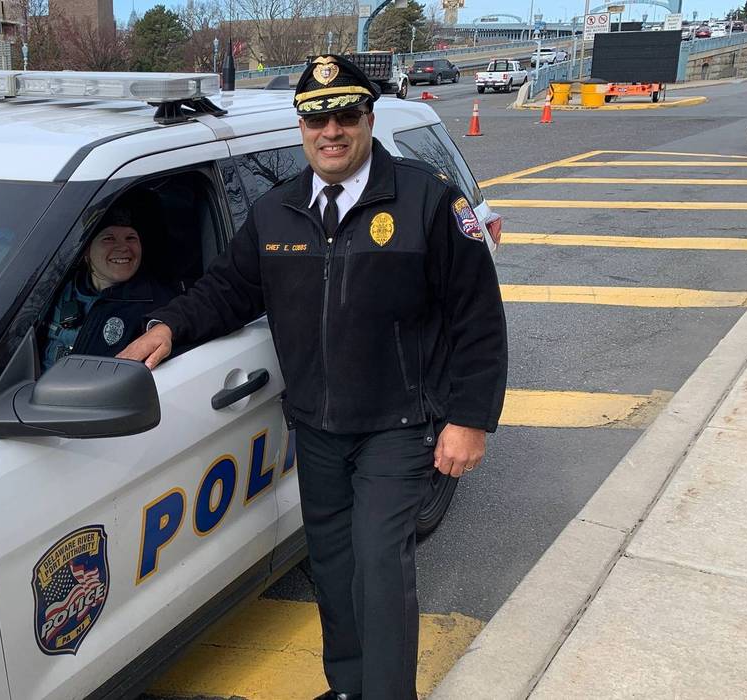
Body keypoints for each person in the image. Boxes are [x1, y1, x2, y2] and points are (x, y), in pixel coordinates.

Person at [118, 55, 507, 700]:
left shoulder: (428, 199)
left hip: (398, 424)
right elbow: (229, 290)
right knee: (332, 563)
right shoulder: (278, 210)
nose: (331, 130)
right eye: (316, 118)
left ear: (368, 120)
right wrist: (168, 327)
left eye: (345, 115)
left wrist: (468, 420)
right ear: (302, 129)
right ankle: (349, 686)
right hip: (318, 428)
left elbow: (478, 318)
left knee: (380, 567)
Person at [41, 207, 177, 369]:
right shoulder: (53, 289)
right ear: (86, 250)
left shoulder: (162, 305)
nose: (123, 247)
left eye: (131, 238)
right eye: (109, 238)